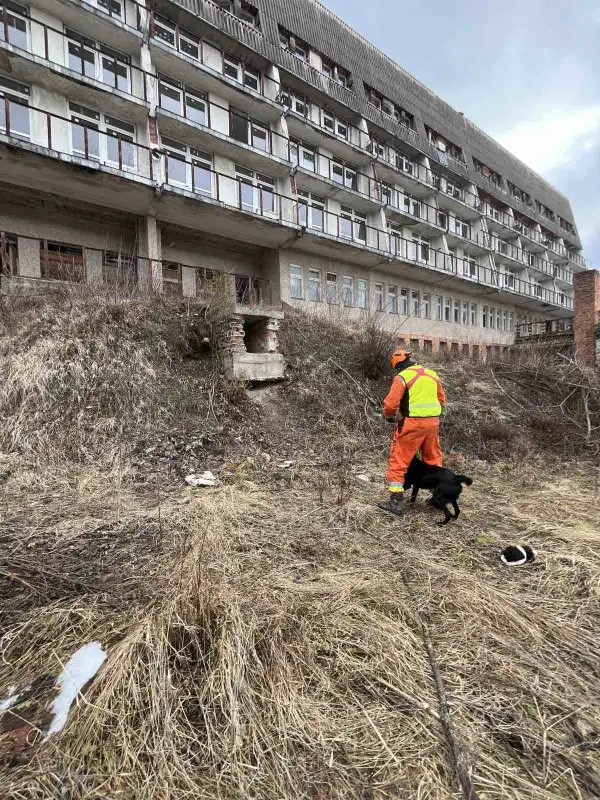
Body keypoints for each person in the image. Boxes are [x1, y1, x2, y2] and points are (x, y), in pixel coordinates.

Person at [378, 348, 446, 516]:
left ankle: (396, 502)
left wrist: (388, 417)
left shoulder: (402, 377)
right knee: (433, 459)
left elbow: (391, 405)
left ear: (398, 365)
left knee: (398, 460)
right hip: (433, 423)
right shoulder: (432, 374)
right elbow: (441, 399)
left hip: (412, 424)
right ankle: (439, 496)